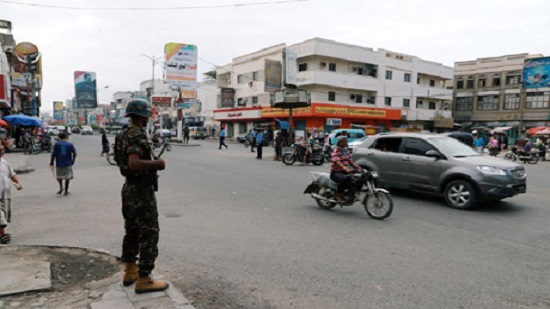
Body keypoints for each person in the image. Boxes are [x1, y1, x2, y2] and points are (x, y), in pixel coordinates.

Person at [114, 98, 169, 294]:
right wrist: (157, 164)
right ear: (143, 116)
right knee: (149, 232)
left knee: (132, 231)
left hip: (129, 188)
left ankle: (130, 271)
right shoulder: (137, 135)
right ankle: (144, 278)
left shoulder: (122, 134)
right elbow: (134, 163)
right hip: (140, 192)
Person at [0, 145, 23, 244]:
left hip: (5, 194)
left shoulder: (5, 163)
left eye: (2, 150)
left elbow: (11, 174)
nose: (1, 151)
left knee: (4, 213)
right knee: (0, 216)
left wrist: (18, 182)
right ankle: (3, 234)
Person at [330, 136, 362, 202]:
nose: (345, 143)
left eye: (346, 142)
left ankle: (351, 194)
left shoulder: (346, 151)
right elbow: (337, 161)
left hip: (345, 172)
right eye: (343, 142)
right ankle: (338, 195)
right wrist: (344, 167)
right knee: (344, 179)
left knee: (359, 179)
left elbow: (350, 161)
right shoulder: (336, 151)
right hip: (336, 173)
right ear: (339, 143)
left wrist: (357, 167)